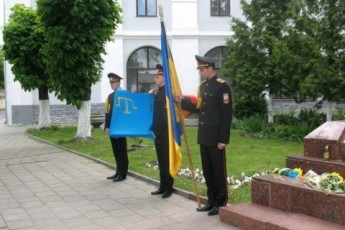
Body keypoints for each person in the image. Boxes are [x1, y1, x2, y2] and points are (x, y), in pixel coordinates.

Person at [178, 55, 232, 216]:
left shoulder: (222, 87)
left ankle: (220, 202)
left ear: (210, 68)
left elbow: (226, 114)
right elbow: (198, 108)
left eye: (202, 69)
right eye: (199, 69)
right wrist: (181, 101)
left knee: (218, 171)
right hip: (204, 136)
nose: (200, 72)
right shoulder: (203, 87)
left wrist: (223, 139)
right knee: (208, 170)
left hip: (216, 137)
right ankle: (211, 200)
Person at [150, 64, 174, 199]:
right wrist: (153, 129)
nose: (155, 79)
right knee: (161, 161)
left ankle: (169, 188)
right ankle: (162, 186)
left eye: (157, 77)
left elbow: (167, 116)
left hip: (165, 133)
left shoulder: (167, 93)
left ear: (164, 78)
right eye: (155, 77)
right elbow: (156, 113)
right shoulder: (158, 92)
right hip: (157, 133)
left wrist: (158, 131)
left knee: (167, 161)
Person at [104, 73, 129, 182]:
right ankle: (118, 171)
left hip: (120, 128)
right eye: (111, 82)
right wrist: (106, 126)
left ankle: (123, 174)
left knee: (122, 150)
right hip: (112, 128)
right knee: (116, 150)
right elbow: (107, 112)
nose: (112, 84)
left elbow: (126, 112)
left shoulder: (124, 94)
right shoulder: (110, 96)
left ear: (118, 82)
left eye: (114, 82)